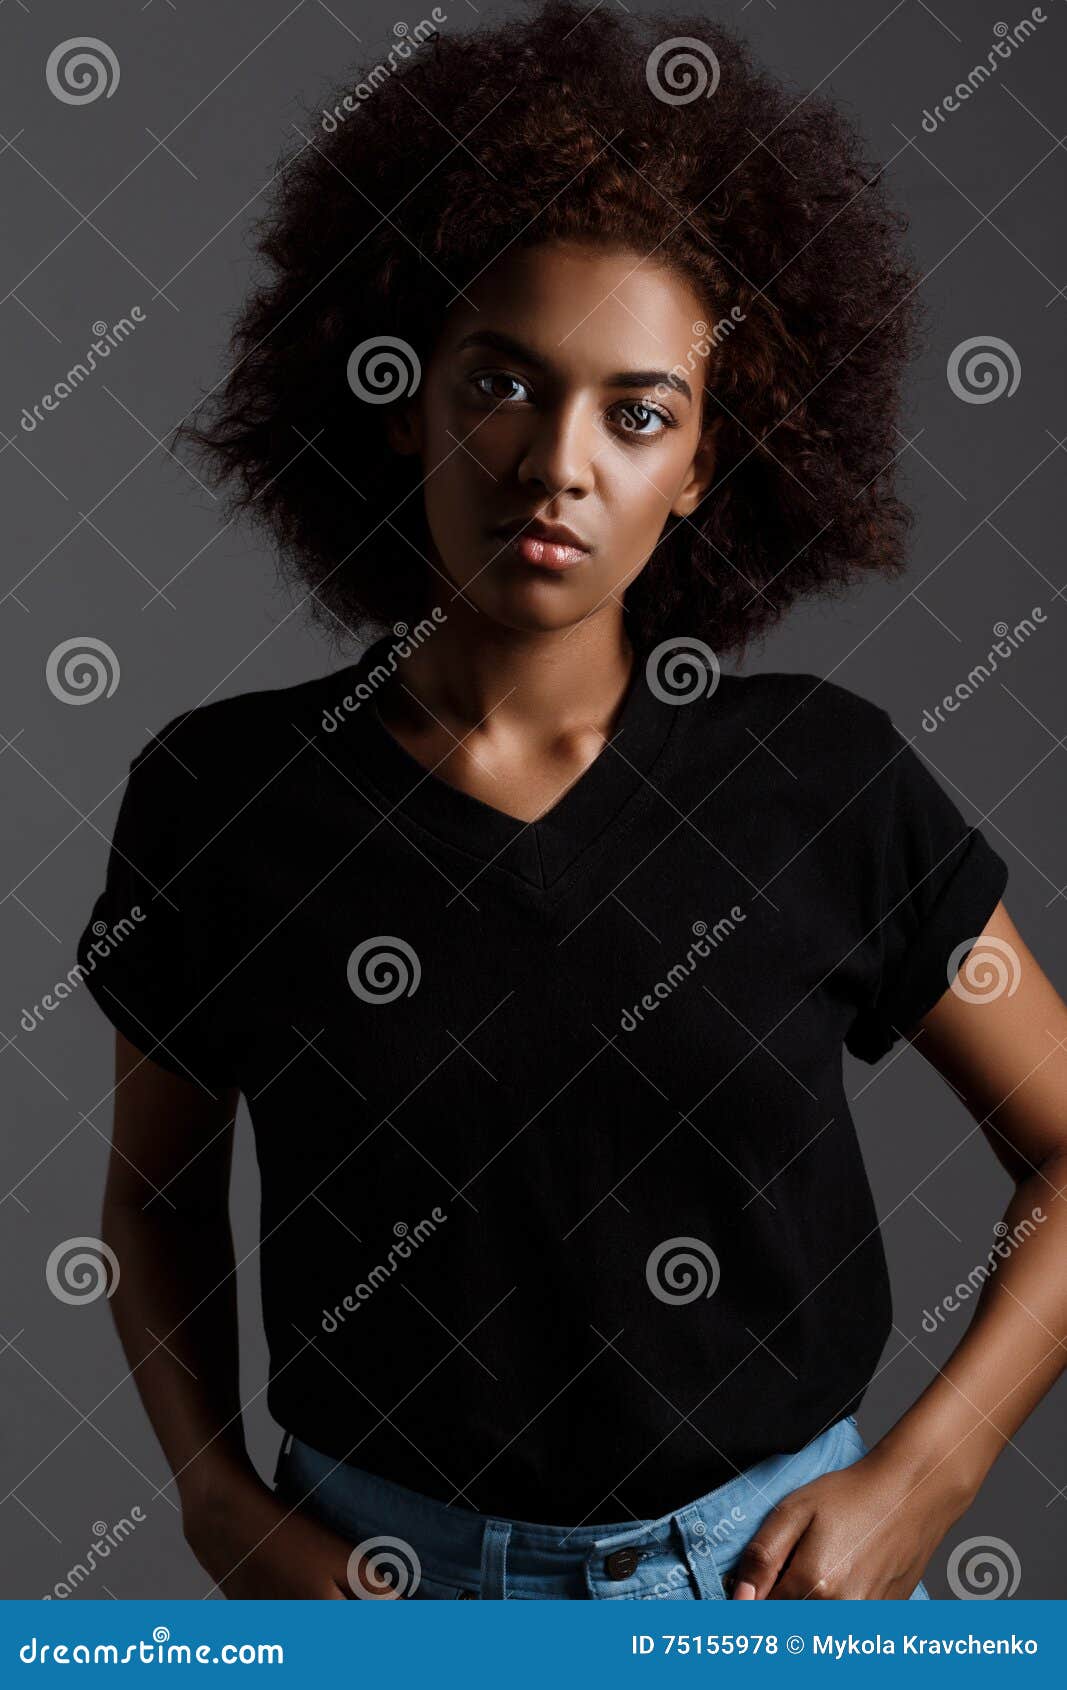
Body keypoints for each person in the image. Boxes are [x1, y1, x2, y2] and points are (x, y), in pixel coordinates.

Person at [76, 0, 1067, 1601]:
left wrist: (924, 1476)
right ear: (402, 392)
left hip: (756, 1589)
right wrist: (211, 1499)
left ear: (700, 466)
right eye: (504, 382)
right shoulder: (221, 796)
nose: (559, 462)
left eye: (639, 411)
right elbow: (153, 1193)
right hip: (376, 1584)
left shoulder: (826, 777)